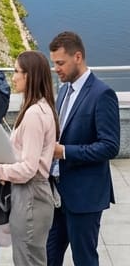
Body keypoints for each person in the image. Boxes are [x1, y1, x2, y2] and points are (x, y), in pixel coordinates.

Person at [47, 31, 120, 266]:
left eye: (60, 63)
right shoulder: (63, 91)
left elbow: (110, 146)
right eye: (54, 63)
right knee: (48, 257)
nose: (56, 69)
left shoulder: (102, 94)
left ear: (77, 57)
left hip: (84, 196)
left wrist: (64, 152)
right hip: (57, 193)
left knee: (84, 259)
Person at [0, 50, 57, 266]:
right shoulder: (42, 108)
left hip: (30, 197)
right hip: (33, 196)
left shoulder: (34, 114)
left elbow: (28, 169)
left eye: (16, 72)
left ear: (29, 75)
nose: (13, 77)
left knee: (27, 260)